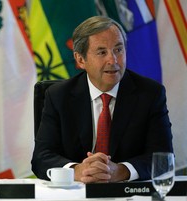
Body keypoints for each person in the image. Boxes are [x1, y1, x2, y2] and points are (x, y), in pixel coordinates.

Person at [31, 16, 173, 183]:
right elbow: (42, 157)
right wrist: (77, 171)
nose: (113, 60)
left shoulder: (150, 94)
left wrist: (120, 171)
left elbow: (163, 158)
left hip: (129, 196)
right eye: (102, 52)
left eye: (118, 50)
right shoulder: (58, 96)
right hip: (74, 196)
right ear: (80, 59)